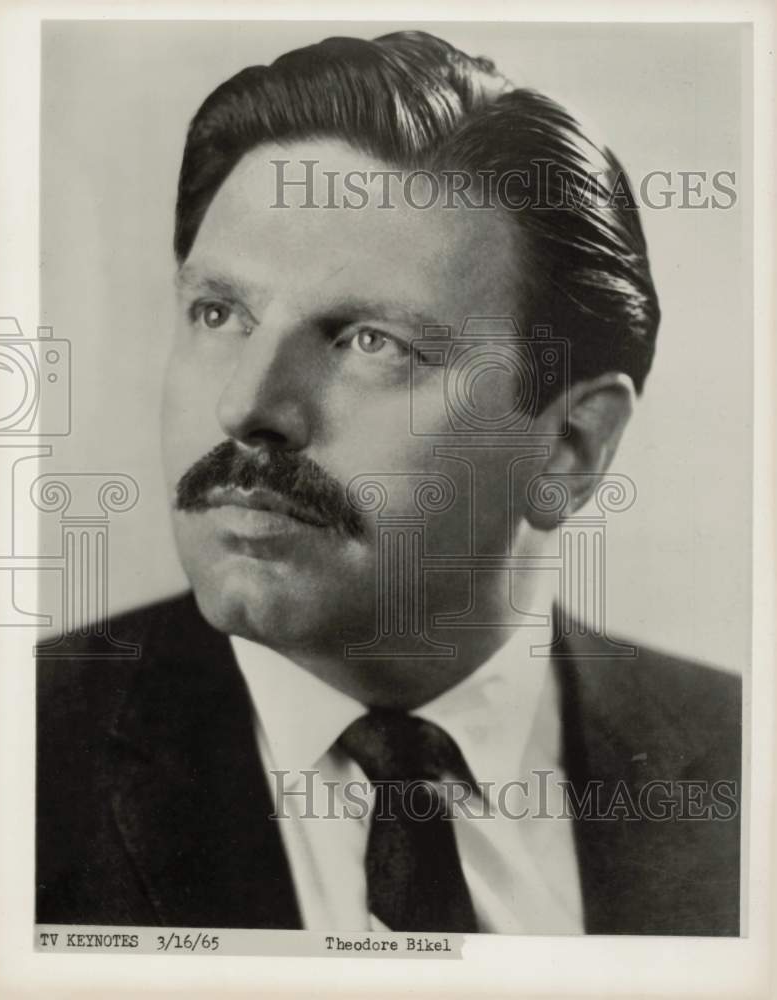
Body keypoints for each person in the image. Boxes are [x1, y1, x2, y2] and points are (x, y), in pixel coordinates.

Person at [37, 30, 741, 936]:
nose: (245, 405)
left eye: (373, 342)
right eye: (220, 314)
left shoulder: (741, 764)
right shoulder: (20, 763)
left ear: (570, 445)